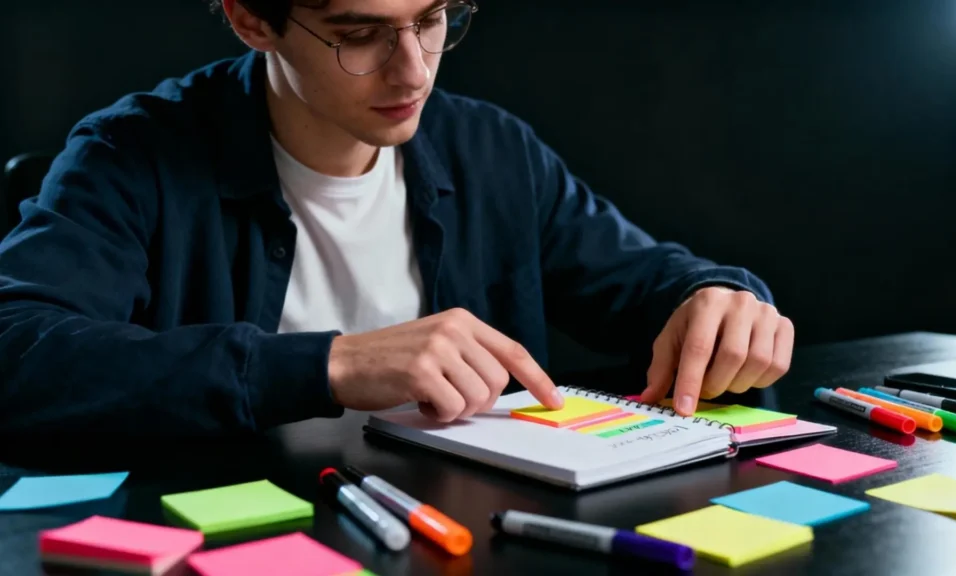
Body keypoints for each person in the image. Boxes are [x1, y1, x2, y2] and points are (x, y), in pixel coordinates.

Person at [0, 0, 793, 438]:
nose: (413, 70)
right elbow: (18, 351)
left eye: (434, 17)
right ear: (250, 19)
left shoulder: (490, 148)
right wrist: (331, 366)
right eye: (359, 35)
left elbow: (644, 280)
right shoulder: (130, 153)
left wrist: (717, 296)